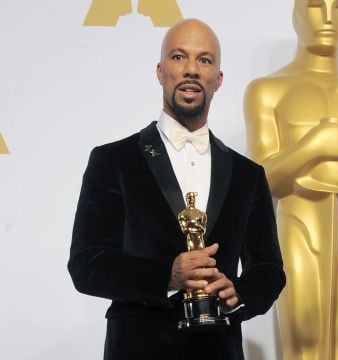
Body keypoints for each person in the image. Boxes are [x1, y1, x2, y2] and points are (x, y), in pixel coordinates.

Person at [68, 19, 285, 360]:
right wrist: (167, 275)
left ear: (218, 79)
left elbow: (269, 271)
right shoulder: (114, 160)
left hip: (219, 350)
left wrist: (238, 293)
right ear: (160, 71)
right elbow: (86, 265)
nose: (191, 70)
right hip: (138, 349)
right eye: (179, 57)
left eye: (205, 60)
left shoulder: (248, 175)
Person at [243, 0, 338, 358]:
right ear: (295, 14)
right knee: (303, 345)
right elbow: (260, 184)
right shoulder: (268, 90)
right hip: (297, 227)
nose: (328, 17)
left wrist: (321, 172)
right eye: (314, 5)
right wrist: (314, 146)